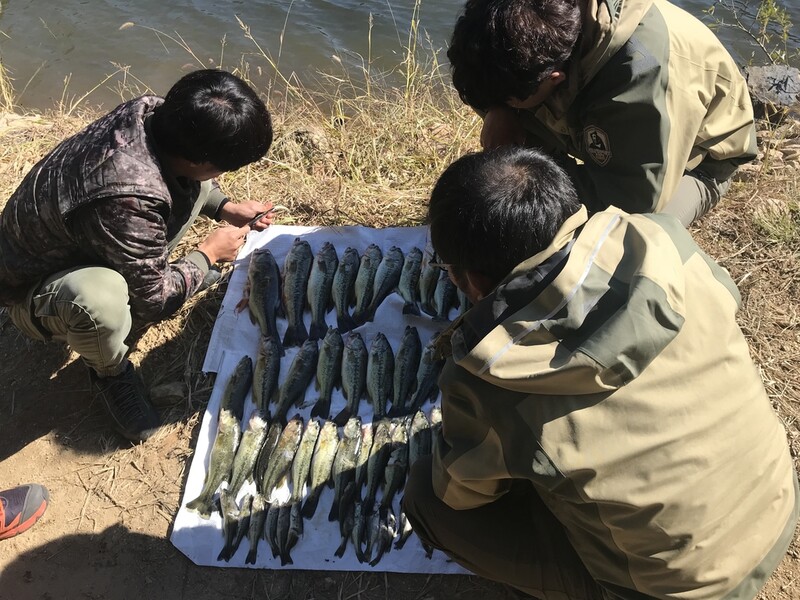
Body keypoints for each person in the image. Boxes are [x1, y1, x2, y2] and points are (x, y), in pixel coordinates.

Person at [403, 147, 798, 600]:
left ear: (470, 280)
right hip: (778, 508)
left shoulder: (485, 379)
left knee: (425, 498)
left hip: (681, 591)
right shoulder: (662, 239)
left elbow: (460, 494)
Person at [0, 69, 275, 442]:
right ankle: (108, 372)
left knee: (187, 193)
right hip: (26, 288)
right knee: (101, 299)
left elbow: (192, 176)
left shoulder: (155, 115)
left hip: (85, 232)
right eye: (219, 168)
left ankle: (171, 271)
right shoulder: (130, 197)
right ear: (200, 162)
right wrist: (208, 253)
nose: (217, 175)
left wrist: (225, 207)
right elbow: (153, 302)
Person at [447, 0, 758, 226]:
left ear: (554, 80)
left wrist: (528, 184)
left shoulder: (640, 81)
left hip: (701, 160)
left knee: (628, 237)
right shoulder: (528, 26)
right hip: (597, 107)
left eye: (509, 101)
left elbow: (632, 203)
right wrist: (498, 111)